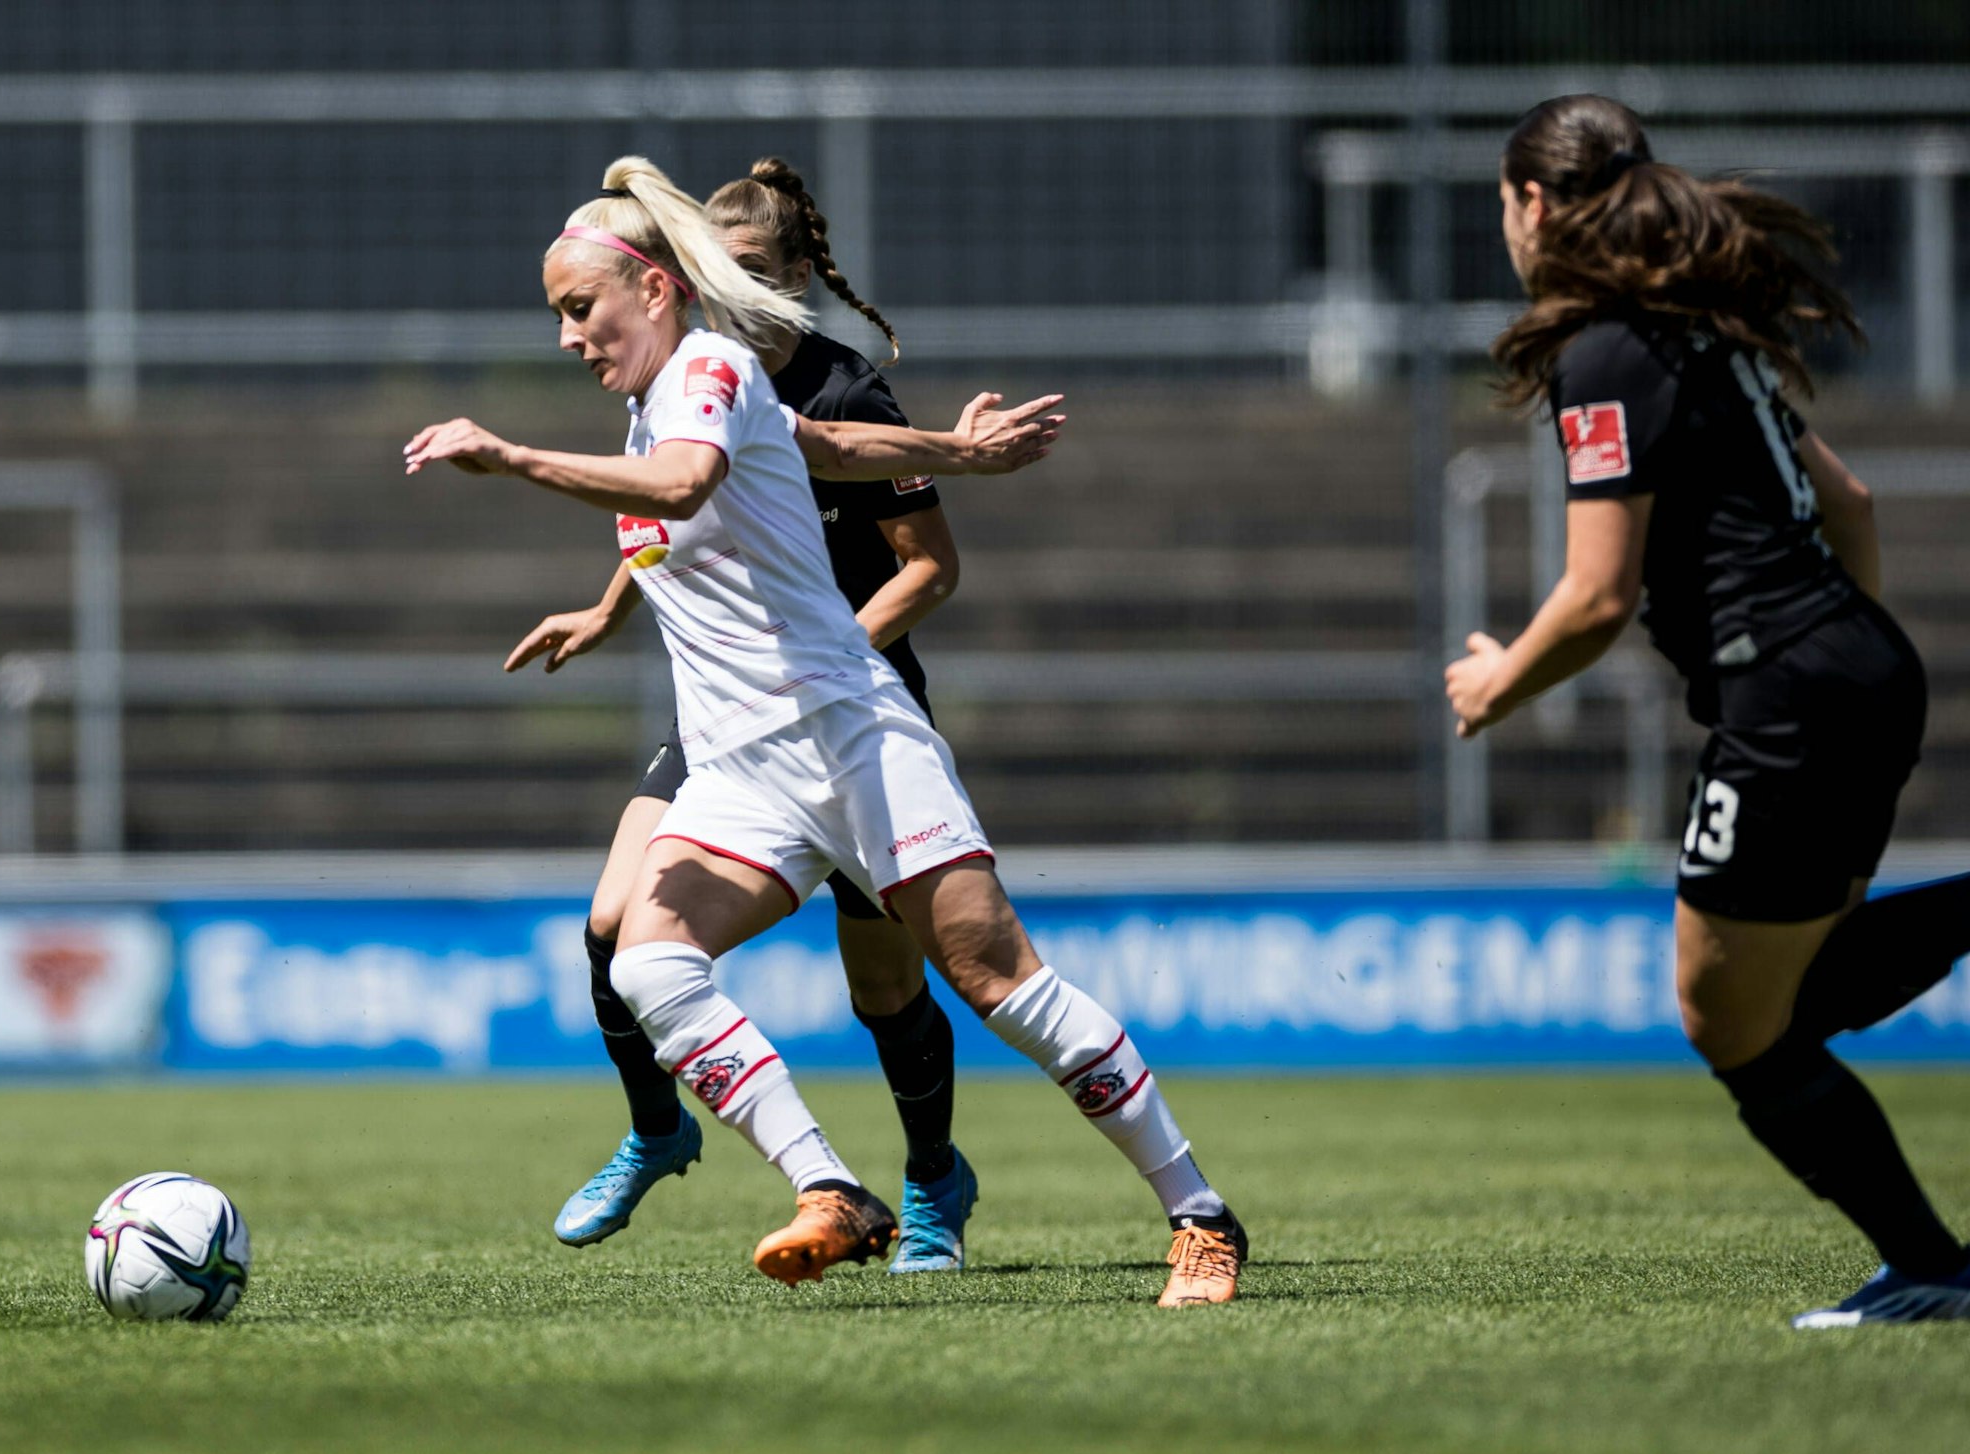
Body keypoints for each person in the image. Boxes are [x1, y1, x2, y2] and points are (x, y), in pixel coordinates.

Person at [406, 154, 1246, 1306]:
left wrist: (504, 455)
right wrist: (960, 454)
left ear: (652, 288)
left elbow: (684, 487)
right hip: (741, 768)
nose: (566, 338)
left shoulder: (700, 367)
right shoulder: (679, 390)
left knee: (999, 986)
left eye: (576, 309)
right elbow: (829, 449)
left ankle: (1198, 1214)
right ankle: (831, 1191)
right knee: (647, 960)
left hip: (848, 737)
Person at [1447, 93, 1970, 1328]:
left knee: (1723, 1016)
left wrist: (1493, 681)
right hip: (1857, 663)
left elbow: (1592, 597)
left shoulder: (1606, 351)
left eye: (1503, 209)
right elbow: (1848, 504)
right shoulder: (1697, 334)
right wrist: (1832, 645)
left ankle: (1936, 1271)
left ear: (1530, 203)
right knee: (1790, 996)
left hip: (1794, 687)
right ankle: (1934, 1270)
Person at [509, 156, 976, 1274]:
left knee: (885, 987)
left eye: (753, 270)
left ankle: (930, 1182)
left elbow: (930, 569)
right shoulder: (677, 379)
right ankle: (659, 1127)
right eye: (712, 269)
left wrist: (816, 671)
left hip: (847, 708)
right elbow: (674, 518)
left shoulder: (844, 389)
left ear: (801, 274)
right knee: (613, 923)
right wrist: (609, 604)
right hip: (726, 722)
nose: (730, 289)